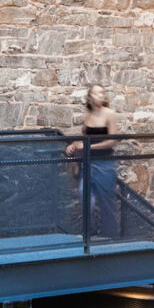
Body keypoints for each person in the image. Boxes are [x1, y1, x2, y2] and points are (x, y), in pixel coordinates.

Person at [67, 84, 119, 234]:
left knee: (107, 202)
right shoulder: (87, 114)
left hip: (104, 163)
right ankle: (90, 234)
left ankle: (111, 237)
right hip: (88, 163)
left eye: (102, 93)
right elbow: (84, 137)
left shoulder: (110, 114)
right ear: (90, 97)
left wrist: (89, 147)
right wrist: (74, 145)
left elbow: (112, 141)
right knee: (86, 199)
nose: (100, 96)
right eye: (97, 93)